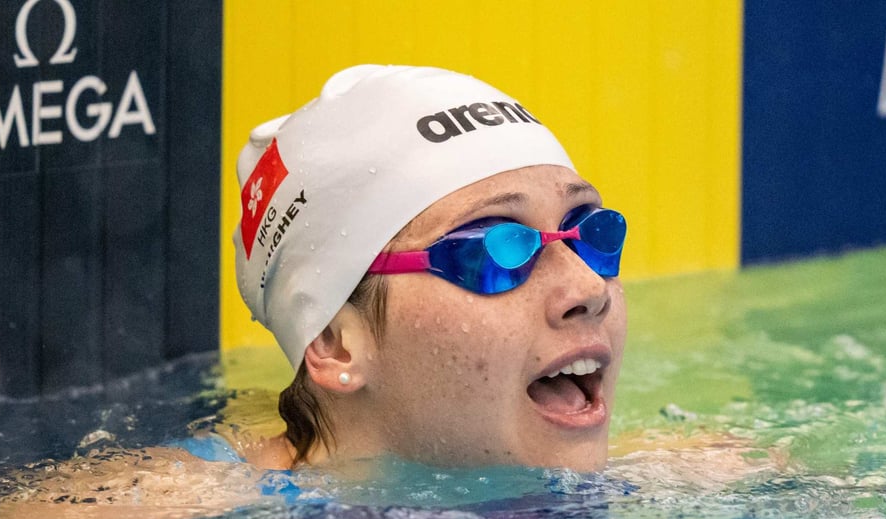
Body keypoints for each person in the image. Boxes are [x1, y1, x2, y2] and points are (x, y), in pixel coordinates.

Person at [195, 64, 628, 472]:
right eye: (490, 253)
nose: (589, 288)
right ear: (334, 342)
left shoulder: (678, 477)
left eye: (586, 233)